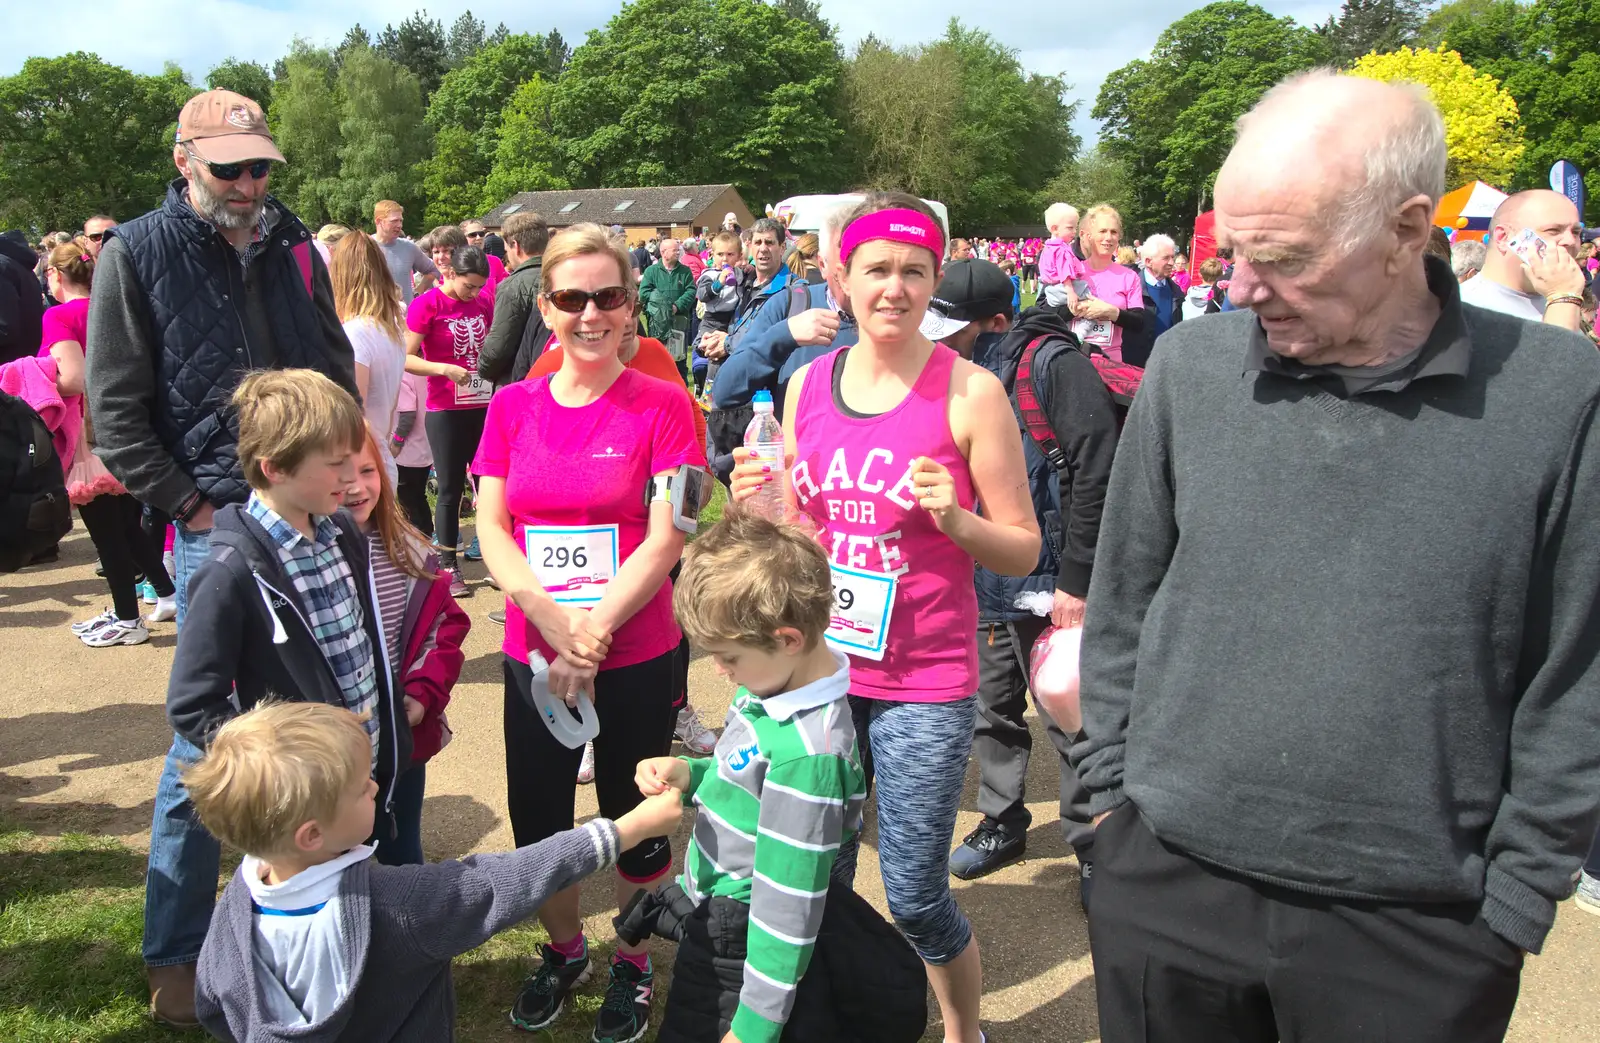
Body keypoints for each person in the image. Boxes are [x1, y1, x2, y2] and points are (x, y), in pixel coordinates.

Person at [1073, 71, 1600, 1043]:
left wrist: (1515, 901)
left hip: (1421, 932)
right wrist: (1106, 814)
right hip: (1165, 889)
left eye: (1282, 256)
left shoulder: (1560, 392)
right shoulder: (1190, 372)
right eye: (1232, 252)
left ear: (1407, 230)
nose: (1236, 287)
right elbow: (1120, 607)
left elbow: (1576, 674)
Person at [728, 192, 1041, 1043]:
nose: (894, 288)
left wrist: (958, 522)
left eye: (913, 270)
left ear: (935, 279)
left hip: (923, 682)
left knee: (912, 889)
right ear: (841, 276)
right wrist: (759, 506)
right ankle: (835, 1016)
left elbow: (1020, 548)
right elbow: (798, 532)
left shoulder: (971, 393)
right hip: (823, 672)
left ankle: (960, 1028)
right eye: (876, 269)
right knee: (811, 869)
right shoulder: (806, 385)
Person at [472, 223, 706, 1043]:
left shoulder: (667, 405)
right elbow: (490, 522)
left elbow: (668, 533)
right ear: (546, 305)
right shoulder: (512, 404)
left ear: (630, 304)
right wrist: (547, 616)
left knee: (635, 817)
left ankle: (634, 962)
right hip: (534, 650)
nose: (590, 314)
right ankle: (565, 949)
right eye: (572, 298)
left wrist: (594, 628)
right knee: (539, 817)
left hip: (633, 650)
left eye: (608, 296)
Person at [187, 701, 683, 1042]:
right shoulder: (395, 906)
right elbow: (502, 880)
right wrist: (624, 831)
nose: (376, 790)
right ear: (311, 835)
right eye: (362, 788)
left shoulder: (233, 909)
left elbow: (212, 1003)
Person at [152, 368, 402, 1025]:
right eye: (336, 463)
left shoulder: (339, 531)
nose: (352, 478)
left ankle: (362, 995)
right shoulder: (231, 571)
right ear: (274, 467)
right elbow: (193, 703)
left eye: (355, 459)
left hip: (357, 777)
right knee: (305, 924)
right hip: (303, 800)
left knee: (358, 902)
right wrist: (276, 768)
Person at [631, 511, 868, 1043]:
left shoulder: (808, 760)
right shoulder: (772, 688)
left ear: (786, 639)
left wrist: (754, 1028)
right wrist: (692, 775)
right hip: (718, 908)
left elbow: (787, 909)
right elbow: (741, 774)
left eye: (728, 656)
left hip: (743, 940)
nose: (720, 670)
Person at [933, 260, 1116, 894]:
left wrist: (1078, 577)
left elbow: (1098, 470)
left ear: (998, 322)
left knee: (1067, 708)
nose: (943, 341)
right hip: (987, 571)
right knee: (994, 708)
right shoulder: (957, 375)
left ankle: (1093, 841)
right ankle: (1001, 820)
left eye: (955, 329)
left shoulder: (1052, 365)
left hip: (1054, 575)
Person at [343, 424, 470, 865]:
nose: (356, 487)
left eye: (367, 470)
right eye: (340, 475)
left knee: (401, 846)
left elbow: (444, 629)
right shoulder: (304, 563)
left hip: (401, 740)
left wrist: (421, 695)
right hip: (329, 754)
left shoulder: (411, 552)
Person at [39, 244, 179, 642]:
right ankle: (165, 594)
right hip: (130, 429)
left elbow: (72, 380)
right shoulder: (113, 307)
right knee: (128, 527)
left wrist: (33, 372)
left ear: (56, 275)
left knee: (107, 534)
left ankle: (127, 619)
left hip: (88, 438)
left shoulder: (58, 316)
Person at [403, 245, 494, 596]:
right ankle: (448, 564)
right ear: (450, 274)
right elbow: (406, 359)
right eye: (469, 286)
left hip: (482, 405)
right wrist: (442, 368)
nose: (474, 293)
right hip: (445, 410)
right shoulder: (428, 304)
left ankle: (495, 558)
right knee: (449, 489)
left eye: (479, 287)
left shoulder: (484, 301)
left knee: (489, 486)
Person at [711, 204, 858, 417]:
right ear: (822, 264)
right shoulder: (790, 303)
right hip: (791, 443)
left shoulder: (900, 321)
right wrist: (785, 334)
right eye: (846, 261)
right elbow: (725, 391)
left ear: (782, 248)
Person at [331, 232, 408, 488]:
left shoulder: (355, 334)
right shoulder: (391, 329)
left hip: (360, 467)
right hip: (380, 456)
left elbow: (355, 410)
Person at [1457, 189, 1586, 331]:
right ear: (1504, 238)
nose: (1571, 241)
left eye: (1576, 232)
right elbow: (1559, 353)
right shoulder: (1461, 309)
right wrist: (1563, 299)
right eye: (1553, 230)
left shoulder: (1561, 296)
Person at [476, 210, 551, 385]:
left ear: (515, 246)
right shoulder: (565, 277)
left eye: (506, 249)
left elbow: (498, 347)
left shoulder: (513, 286)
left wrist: (483, 368)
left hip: (520, 382)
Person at [1068, 206, 1146, 363]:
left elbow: (1139, 322)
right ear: (1089, 236)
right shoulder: (1071, 271)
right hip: (1074, 360)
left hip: (1112, 363)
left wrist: (1111, 312)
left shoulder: (1129, 276)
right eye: (1102, 231)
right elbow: (1048, 311)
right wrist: (1081, 308)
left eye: (1114, 232)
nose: (1108, 237)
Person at [1123, 233, 1184, 367]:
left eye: (1172, 257)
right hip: (1136, 367)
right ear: (1148, 262)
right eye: (1166, 258)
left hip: (1166, 365)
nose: (1172, 263)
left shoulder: (1176, 292)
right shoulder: (1131, 290)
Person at [639, 237, 696, 363]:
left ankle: (680, 382)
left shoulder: (685, 271)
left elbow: (691, 291)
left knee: (679, 359)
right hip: (657, 324)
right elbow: (644, 293)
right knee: (658, 360)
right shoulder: (651, 271)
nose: (678, 252)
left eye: (678, 250)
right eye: (674, 250)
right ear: (664, 252)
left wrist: (677, 306)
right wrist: (662, 306)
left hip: (679, 321)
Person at [390, 372, 433, 537]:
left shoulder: (401, 374)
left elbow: (407, 415)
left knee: (407, 503)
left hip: (407, 452)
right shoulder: (420, 372)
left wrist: (396, 442)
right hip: (424, 447)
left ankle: (416, 545)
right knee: (419, 497)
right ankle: (428, 540)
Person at [372, 200, 439, 306]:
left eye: (400, 221)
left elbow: (433, 269)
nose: (399, 225)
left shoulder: (408, 247)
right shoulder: (365, 247)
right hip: (375, 317)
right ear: (379, 221)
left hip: (405, 317)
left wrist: (418, 291)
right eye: (394, 221)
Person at [0, 229, 45, 365]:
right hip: (24, 363)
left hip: (7, 368)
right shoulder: (17, 265)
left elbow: (5, 328)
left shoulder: (3, 266)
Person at [1038, 203, 1083, 312]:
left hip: (1050, 289)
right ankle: (1087, 325)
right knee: (1089, 292)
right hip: (1063, 287)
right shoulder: (1061, 249)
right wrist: (1070, 292)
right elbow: (1064, 272)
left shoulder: (1049, 247)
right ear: (1055, 229)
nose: (1074, 231)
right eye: (1070, 228)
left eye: (1075, 228)